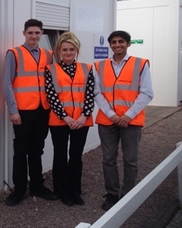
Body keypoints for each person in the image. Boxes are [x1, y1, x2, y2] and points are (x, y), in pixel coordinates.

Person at [94, 30, 154, 211]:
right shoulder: (99, 66)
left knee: (131, 160)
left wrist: (127, 116)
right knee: (108, 159)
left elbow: (147, 93)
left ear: (128, 44)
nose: (117, 45)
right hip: (107, 120)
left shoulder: (140, 64)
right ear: (110, 45)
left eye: (121, 41)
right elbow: (97, 92)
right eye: (113, 42)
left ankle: (128, 194)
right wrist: (112, 115)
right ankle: (112, 194)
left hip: (131, 121)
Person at [3, 19, 58, 206]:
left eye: (37, 33)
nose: (34, 36)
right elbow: (7, 83)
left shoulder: (49, 55)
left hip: (43, 110)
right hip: (22, 112)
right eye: (30, 33)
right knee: (20, 152)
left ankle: (37, 186)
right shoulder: (14, 53)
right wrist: (13, 110)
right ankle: (18, 191)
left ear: (42, 33)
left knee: (37, 150)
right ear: (24, 33)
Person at [44, 32, 94, 207]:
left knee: (75, 157)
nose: (67, 52)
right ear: (59, 51)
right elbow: (51, 96)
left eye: (71, 49)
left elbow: (90, 95)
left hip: (81, 121)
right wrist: (65, 117)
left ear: (77, 50)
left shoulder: (87, 68)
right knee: (60, 156)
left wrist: (82, 116)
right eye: (64, 49)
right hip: (59, 122)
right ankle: (62, 192)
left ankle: (75, 191)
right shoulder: (50, 70)